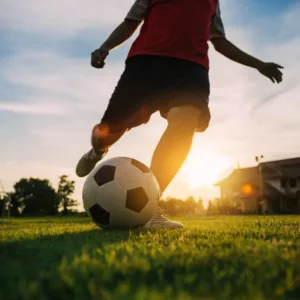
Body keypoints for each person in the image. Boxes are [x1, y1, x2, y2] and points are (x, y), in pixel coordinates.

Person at [76, 0, 283, 228]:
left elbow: (220, 41)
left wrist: (259, 64)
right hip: (146, 64)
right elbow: (130, 22)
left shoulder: (213, 2)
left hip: (190, 70)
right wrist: (105, 47)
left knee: (185, 123)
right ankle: (97, 150)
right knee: (107, 132)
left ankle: (150, 208)